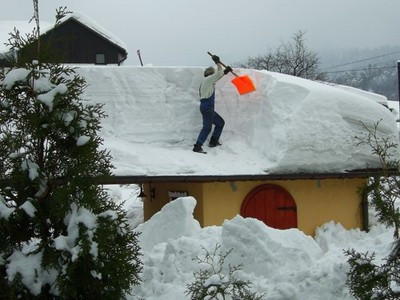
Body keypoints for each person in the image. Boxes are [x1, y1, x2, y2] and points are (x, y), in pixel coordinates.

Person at [193, 55, 232, 153]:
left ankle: (213, 141)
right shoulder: (208, 80)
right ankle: (198, 146)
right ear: (210, 74)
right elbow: (217, 74)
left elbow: (218, 76)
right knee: (207, 127)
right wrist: (217, 62)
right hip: (207, 107)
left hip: (207, 107)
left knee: (220, 123)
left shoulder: (207, 82)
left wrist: (225, 72)